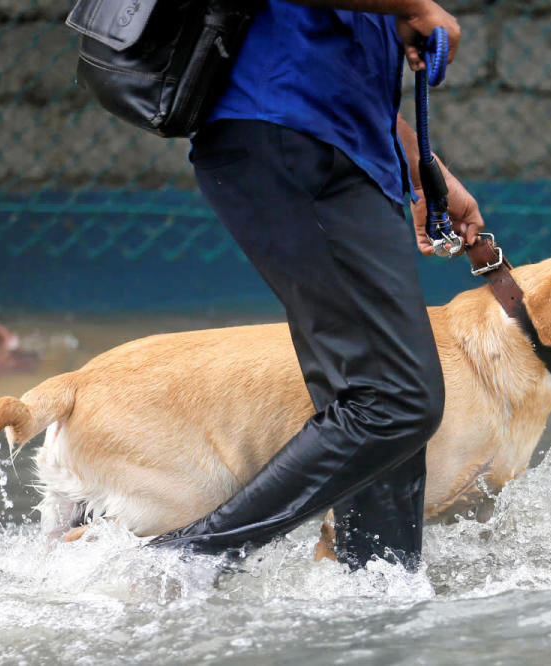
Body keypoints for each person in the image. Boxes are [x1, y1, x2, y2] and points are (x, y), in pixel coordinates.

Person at [147, 0, 485, 571]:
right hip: (288, 134)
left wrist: (420, 163)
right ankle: (181, 562)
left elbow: (342, 65)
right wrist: (415, 6)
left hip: (349, 151)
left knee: (377, 401)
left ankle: (377, 595)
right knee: (394, 400)